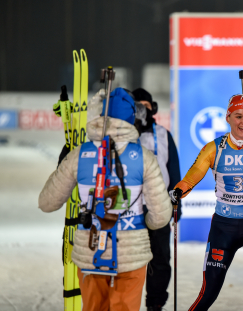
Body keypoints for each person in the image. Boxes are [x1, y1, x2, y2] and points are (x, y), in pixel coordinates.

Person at [39, 88, 173, 310]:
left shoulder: (79, 154)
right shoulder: (145, 158)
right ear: (132, 117)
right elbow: (160, 218)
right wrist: (144, 221)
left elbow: (46, 202)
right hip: (131, 254)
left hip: (91, 251)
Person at [169, 93, 243, 311]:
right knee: (208, 293)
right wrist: (177, 191)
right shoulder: (215, 148)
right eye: (238, 116)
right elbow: (192, 176)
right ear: (228, 117)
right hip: (223, 228)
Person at [132, 88, 182, 311]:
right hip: (130, 209)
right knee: (129, 260)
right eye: (138, 105)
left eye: (147, 105)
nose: (143, 110)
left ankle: (156, 303)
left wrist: (175, 204)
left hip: (159, 207)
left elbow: (174, 171)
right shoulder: (122, 135)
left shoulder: (163, 134)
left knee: (160, 259)